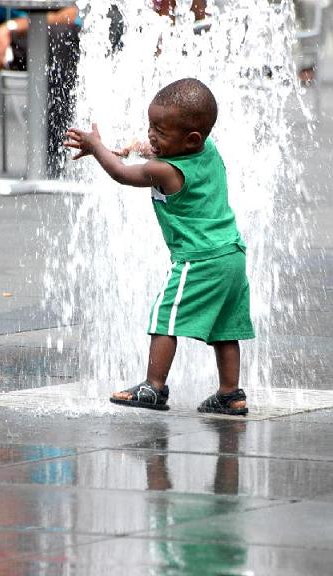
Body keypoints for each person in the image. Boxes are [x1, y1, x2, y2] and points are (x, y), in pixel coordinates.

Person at [64, 78, 255, 416]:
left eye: (160, 131)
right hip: (232, 255)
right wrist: (134, 147)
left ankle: (154, 387)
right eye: (151, 126)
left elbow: (123, 174)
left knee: (165, 318)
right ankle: (230, 394)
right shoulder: (206, 150)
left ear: (190, 139)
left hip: (199, 259)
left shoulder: (166, 171)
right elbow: (152, 151)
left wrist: (98, 149)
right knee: (225, 328)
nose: (152, 135)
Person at [0, 1, 81, 184]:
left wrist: (10, 28)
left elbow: (74, 13)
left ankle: (53, 159)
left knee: (63, 38)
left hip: (51, 32)